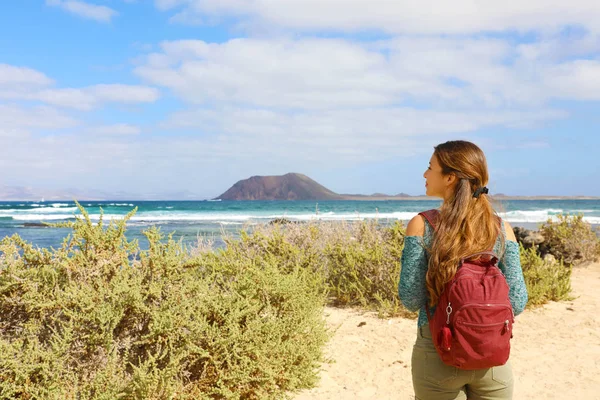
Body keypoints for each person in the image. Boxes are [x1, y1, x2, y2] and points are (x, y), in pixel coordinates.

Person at [398, 140, 528, 400]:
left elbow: (411, 299)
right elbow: (518, 300)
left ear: (450, 177)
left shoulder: (422, 225)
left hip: (438, 352)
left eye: (430, 167)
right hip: (491, 357)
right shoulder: (501, 228)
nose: (425, 174)